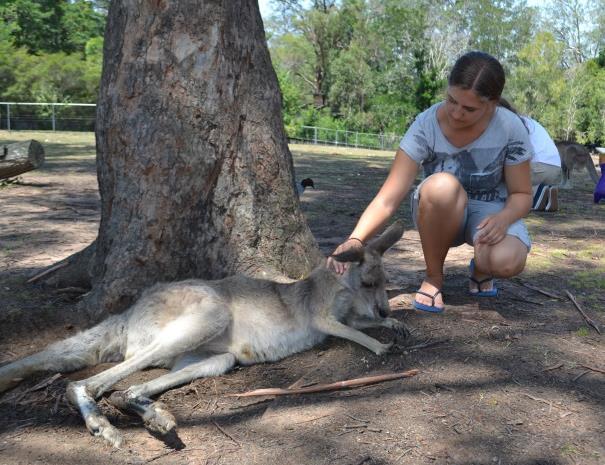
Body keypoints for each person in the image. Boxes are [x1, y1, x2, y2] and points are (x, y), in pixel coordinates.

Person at [327, 51, 533, 313]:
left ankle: (481, 269)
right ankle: (434, 276)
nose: (457, 113)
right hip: (439, 208)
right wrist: (356, 239)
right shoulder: (426, 124)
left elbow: (522, 194)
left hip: (489, 213)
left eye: (469, 108)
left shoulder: (510, 127)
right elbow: (388, 198)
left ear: (492, 104)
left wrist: (503, 219)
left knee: (507, 261)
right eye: (451, 101)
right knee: (441, 186)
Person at [521, 115, 562, 212]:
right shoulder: (531, 122)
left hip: (538, 167)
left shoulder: (515, 122)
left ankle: (535, 199)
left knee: (511, 174)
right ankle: (545, 193)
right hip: (556, 168)